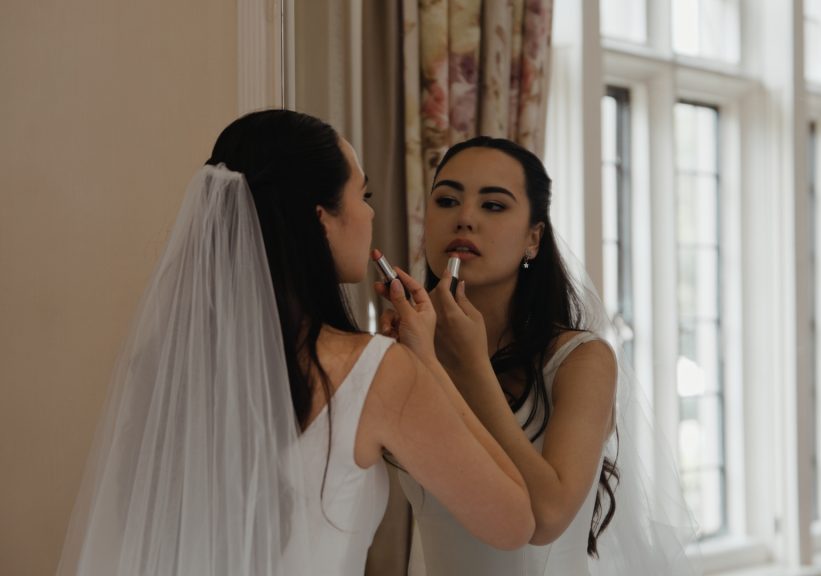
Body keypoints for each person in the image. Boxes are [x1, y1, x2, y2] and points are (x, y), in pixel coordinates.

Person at [56, 111, 534, 576]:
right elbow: (514, 521)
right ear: (322, 218)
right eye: (361, 195)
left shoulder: (164, 370)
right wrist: (426, 360)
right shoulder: (374, 371)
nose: (369, 212)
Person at [378, 137, 700, 575]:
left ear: (534, 238)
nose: (465, 218)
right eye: (447, 200)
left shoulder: (580, 361)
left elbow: (547, 516)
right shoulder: (411, 350)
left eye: (493, 206)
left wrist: (471, 366)